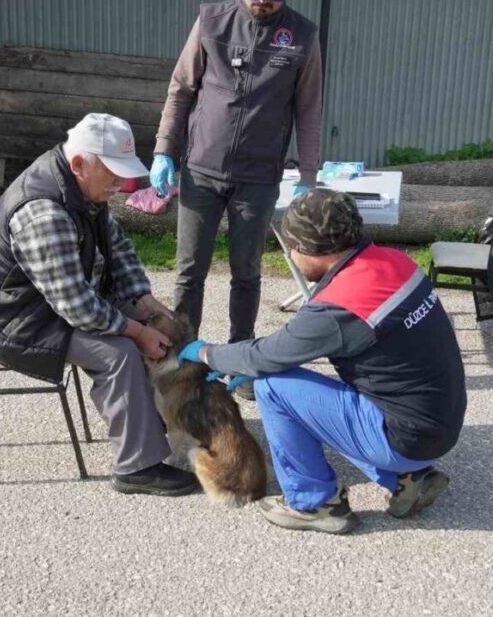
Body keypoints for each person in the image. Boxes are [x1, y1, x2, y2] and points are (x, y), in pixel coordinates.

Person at [178, 189, 468, 534]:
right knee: (297, 382)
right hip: (441, 421)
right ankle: (409, 478)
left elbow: (264, 355)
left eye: (292, 248)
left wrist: (205, 352)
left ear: (312, 250)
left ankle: (314, 503)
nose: (292, 255)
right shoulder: (396, 262)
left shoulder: (340, 306)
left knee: (272, 385)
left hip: (406, 437)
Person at [0, 113, 198, 497]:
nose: (122, 184)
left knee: (149, 323)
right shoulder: (43, 211)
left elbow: (116, 245)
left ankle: (148, 424)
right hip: (15, 321)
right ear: (79, 164)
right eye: (114, 173)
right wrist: (136, 330)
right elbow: (76, 307)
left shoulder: (82, 187)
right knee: (119, 352)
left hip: (44, 304)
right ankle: (137, 467)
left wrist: (141, 298)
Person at [150, 0, 323, 399]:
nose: (264, 2)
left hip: (259, 177)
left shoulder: (302, 35)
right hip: (201, 171)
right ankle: (185, 359)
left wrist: (308, 176)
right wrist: (163, 149)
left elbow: (309, 109)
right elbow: (181, 89)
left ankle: (241, 364)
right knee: (190, 273)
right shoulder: (211, 21)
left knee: (246, 274)